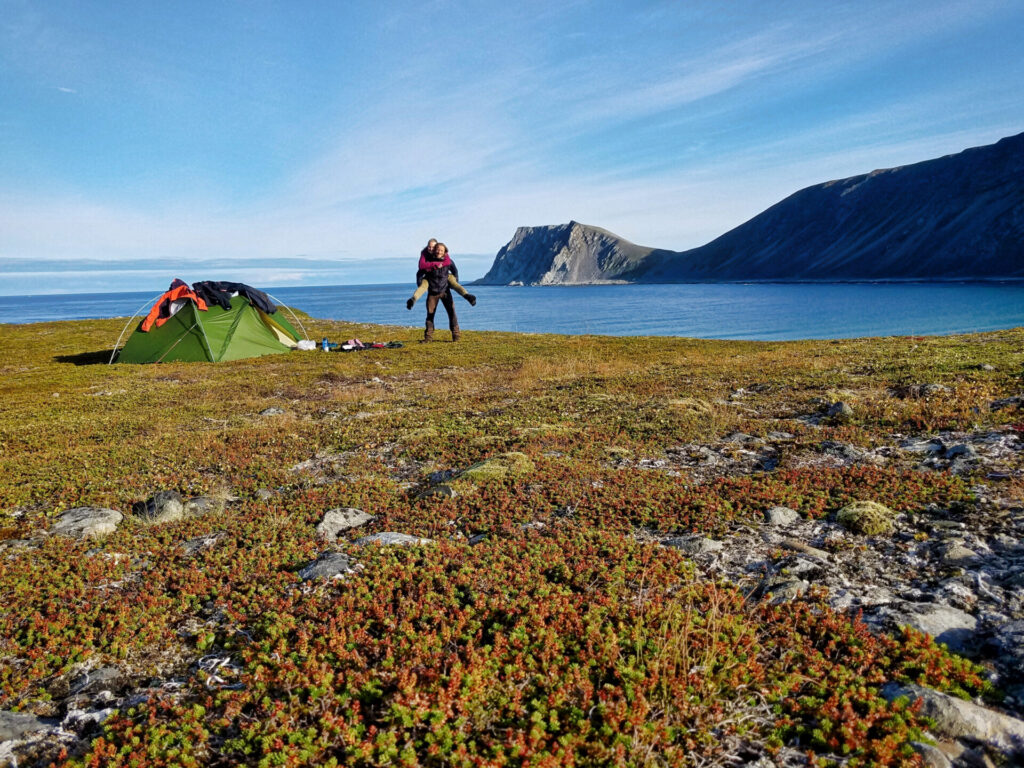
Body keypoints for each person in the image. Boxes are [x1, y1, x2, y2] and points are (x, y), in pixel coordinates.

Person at [406, 241, 475, 342]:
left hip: (445, 291)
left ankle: (456, 336)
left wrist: (455, 280)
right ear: (434, 250)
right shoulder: (428, 262)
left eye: (441, 250)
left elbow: (455, 270)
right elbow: (420, 272)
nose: (439, 251)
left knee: (452, 313)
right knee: (430, 315)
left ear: (444, 252)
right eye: (437, 249)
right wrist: (419, 282)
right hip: (432, 293)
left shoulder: (448, 261)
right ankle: (428, 337)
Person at [407, 240, 476, 310]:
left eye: (433, 247)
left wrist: (456, 278)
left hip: (445, 276)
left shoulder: (445, 256)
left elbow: (453, 268)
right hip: (429, 278)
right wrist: (419, 283)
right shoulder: (425, 256)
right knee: (422, 287)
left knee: (455, 284)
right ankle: (413, 300)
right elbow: (420, 271)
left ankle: (468, 296)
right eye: (429, 247)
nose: (431, 249)